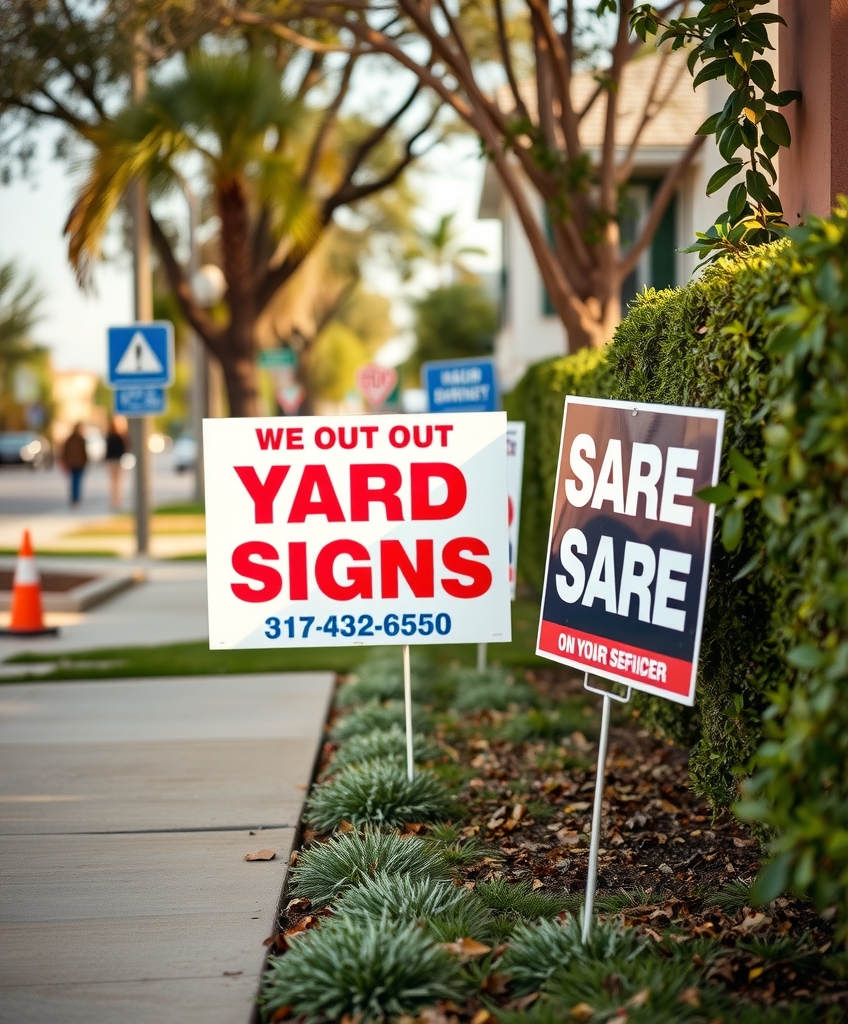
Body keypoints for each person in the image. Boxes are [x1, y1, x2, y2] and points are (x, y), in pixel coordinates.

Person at [61, 423, 88, 506]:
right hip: (79, 463)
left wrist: (65, 461)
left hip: (73, 463)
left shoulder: (70, 439)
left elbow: (64, 452)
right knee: (77, 481)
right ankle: (76, 498)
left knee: (74, 481)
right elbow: (84, 453)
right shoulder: (80, 439)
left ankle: (74, 498)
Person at [104, 416, 128, 510]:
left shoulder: (110, 435)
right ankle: (116, 500)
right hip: (116, 461)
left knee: (115, 482)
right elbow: (124, 449)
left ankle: (116, 500)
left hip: (113, 461)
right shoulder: (119, 436)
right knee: (117, 482)